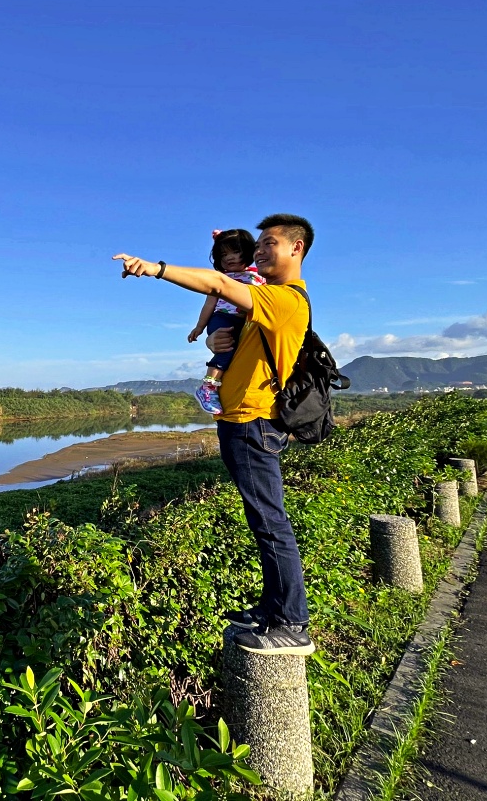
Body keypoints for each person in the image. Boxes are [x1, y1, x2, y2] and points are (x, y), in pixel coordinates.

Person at [114, 213, 316, 656]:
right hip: (241, 420)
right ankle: (272, 609)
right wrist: (210, 342)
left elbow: (220, 285)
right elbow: (230, 337)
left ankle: (292, 623)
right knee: (262, 518)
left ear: (296, 248)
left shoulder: (286, 299)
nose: (259, 251)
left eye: (270, 244)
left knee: (270, 521)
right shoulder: (265, 299)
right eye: (257, 244)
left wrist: (156, 268)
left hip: (252, 422)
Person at [187, 229, 266, 415]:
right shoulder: (221, 279)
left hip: (245, 323)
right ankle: (208, 388)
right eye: (223, 254)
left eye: (235, 252)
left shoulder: (259, 276)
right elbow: (209, 304)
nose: (229, 257)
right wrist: (200, 327)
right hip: (222, 318)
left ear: (248, 252)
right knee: (226, 348)